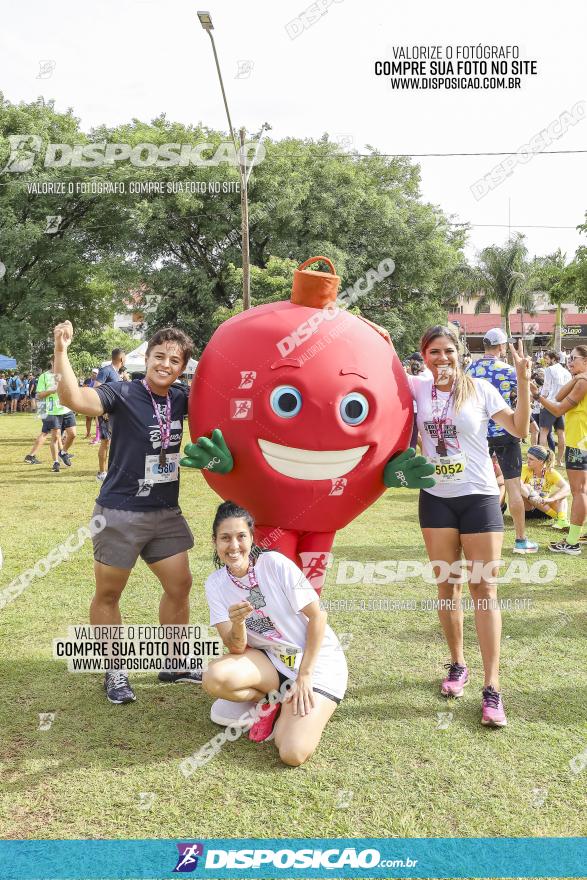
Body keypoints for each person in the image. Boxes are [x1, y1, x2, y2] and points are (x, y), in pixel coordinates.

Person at [52, 320, 199, 704]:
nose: (165, 364)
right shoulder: (122, 392)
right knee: (109, 593)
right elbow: (74, 399)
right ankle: (114, 669)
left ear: (182, 367)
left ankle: (175, 661)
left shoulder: (183, 398)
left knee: (180, 585)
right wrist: (62, 350)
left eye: (174, 360)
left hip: (165, 511)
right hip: (120, 511)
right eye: (159, 356)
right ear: (146, 358)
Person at [408, 325, 531, 727]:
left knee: (484, 587)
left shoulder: (480, 389)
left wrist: (525, 381)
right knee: (448, 585)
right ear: (424, 357)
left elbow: (520, 428)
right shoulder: (417, 389)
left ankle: (493, 687)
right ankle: (458, 664)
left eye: (447, 351)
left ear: (459, 353)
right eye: (433, 353)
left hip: (478, 498)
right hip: (436, 501)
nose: (441, 359)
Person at [201, 500, 347, 764]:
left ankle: (290, 712)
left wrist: (304, 677)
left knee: (292, 752)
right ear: (215, 542)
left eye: (241, 536)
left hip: (316, 663)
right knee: (215, 678)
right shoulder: (216, 584)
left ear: (252, 538)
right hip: (273, 660)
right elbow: (235, 649)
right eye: (225, 538)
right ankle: (273, 701)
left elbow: (318, 616)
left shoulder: (275, 564)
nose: (234, 546)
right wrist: (238, 623)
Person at [467, 327, 537, 553]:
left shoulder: (470, 369)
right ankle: (520, 540)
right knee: (513, 486)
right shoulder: (509, 371)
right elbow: (528, 396)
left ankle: (473, 535)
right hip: (506, 431)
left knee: (474, 485)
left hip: (477, 434)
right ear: (501, 347)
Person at [532, 345, 587, 555]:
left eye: (574, 358)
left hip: (579, 442)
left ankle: (572, 542)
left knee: (579, 491)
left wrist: (537, 396)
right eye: (569, 358)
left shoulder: (583, 382)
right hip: (582, 440)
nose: (569, 362)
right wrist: (576, 376)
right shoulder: (580, 380)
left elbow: (557, 408)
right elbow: (561, 392)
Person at [24, 358, 69, 470]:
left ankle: (62, 452)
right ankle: (31, 455)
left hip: (51, 408)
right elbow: (38, 395)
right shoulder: (45, 376)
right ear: (52, 363)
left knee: (55, 432)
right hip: (47, 408)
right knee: (46, 433)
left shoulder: (59, 374)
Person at [95, 349, 126, 482]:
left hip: (116, 413)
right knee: (106, 442)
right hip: (106, 413)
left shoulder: (117, 373)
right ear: (121, 359)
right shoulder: (106, 370)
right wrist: (104, 410)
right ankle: (101, 473)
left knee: (116, 442)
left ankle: (114, 469)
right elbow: (96, 389)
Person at [520, 446, 570, 527]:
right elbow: (518, 485)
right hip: (528, 509)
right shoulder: (524, 468)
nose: (527, 461)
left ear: (541, 461)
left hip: (545, 507)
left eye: (531, 459)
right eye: (527, 457)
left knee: (562, 495)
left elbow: (567, 488)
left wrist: (552, 499)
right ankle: (555, 516)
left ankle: (562, 520)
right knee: (526, 487)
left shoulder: (550, 472)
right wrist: (534, 498)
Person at [539, 351, 571, 467]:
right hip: (561, 405)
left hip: (549, 404)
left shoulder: (549, 370)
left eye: (547, 358)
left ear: (553, 359)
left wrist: (541, 400)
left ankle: (542, 460)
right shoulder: (567, 372)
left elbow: (546, 388)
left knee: (543, 432)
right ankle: (559, 461)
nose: (545, 361)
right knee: (561, 434)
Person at [83, 368, 99, 438]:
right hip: (88, 402)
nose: (93, 374)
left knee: (97, 419)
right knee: (88, 418)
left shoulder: (99, 381)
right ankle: (88, 433)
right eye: (93, 372)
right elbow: (83, 389)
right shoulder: (87, 380)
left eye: (95, 373)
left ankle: (98, 435)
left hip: (97, 402)